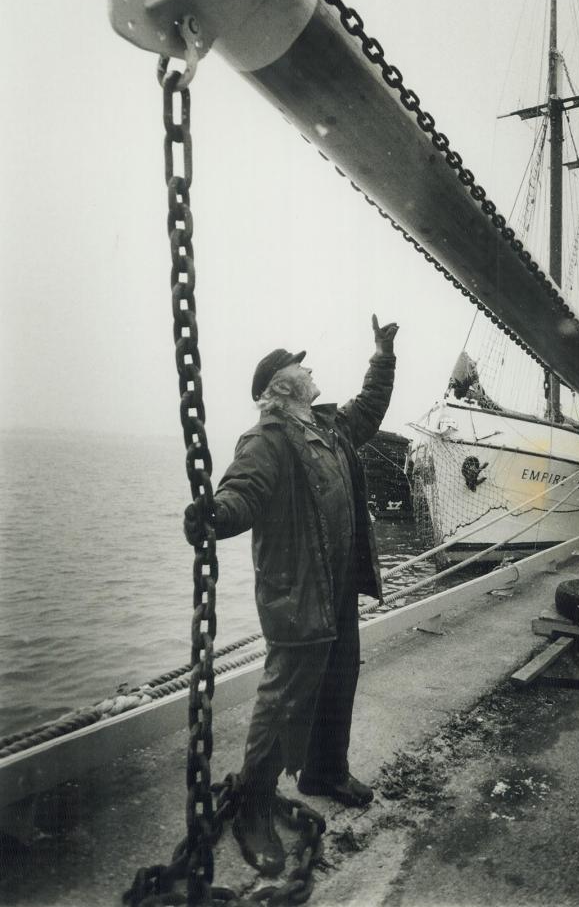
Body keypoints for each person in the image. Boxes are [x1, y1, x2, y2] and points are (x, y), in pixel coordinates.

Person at [184, 314, 398, 875]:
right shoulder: (268, 440)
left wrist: (382, 356)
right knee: (282, 702)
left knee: (339, 679)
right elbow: (243, 494)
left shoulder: (328, 427)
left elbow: (370, 408)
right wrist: (214, 515)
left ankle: (325, 770)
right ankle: (253, 807)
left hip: (339, 587)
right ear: (284, 384)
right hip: (299, 594)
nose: (310, 366)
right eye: (299, 363)